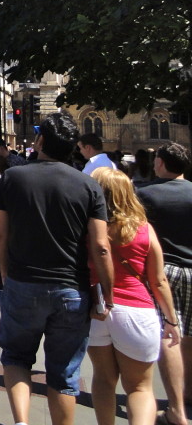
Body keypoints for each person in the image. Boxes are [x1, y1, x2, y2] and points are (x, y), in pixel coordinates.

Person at [0, 112, 113, 425]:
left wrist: (4, 273)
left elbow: (1, 235)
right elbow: (101, 246)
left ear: (41, 141)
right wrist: (107, 294)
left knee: (17, 357)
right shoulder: (89, 186)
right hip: (71, 289)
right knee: (64, 374)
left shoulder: (13, 178)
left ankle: (22, 422)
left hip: (23, 282)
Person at [87, 167, 180, 425]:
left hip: (99, 309)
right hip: (137, 311)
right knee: (139, 388)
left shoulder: (88, 229)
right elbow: (158, 281)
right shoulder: (143, 229)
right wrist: (171, 320)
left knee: (103, 380)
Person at [137, 142, 192, 425]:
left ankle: (176, 410)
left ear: (160, 164)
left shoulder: (145, 195)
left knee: (169, 336)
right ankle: (188, 396)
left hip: (163, 272)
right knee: (190, 337)